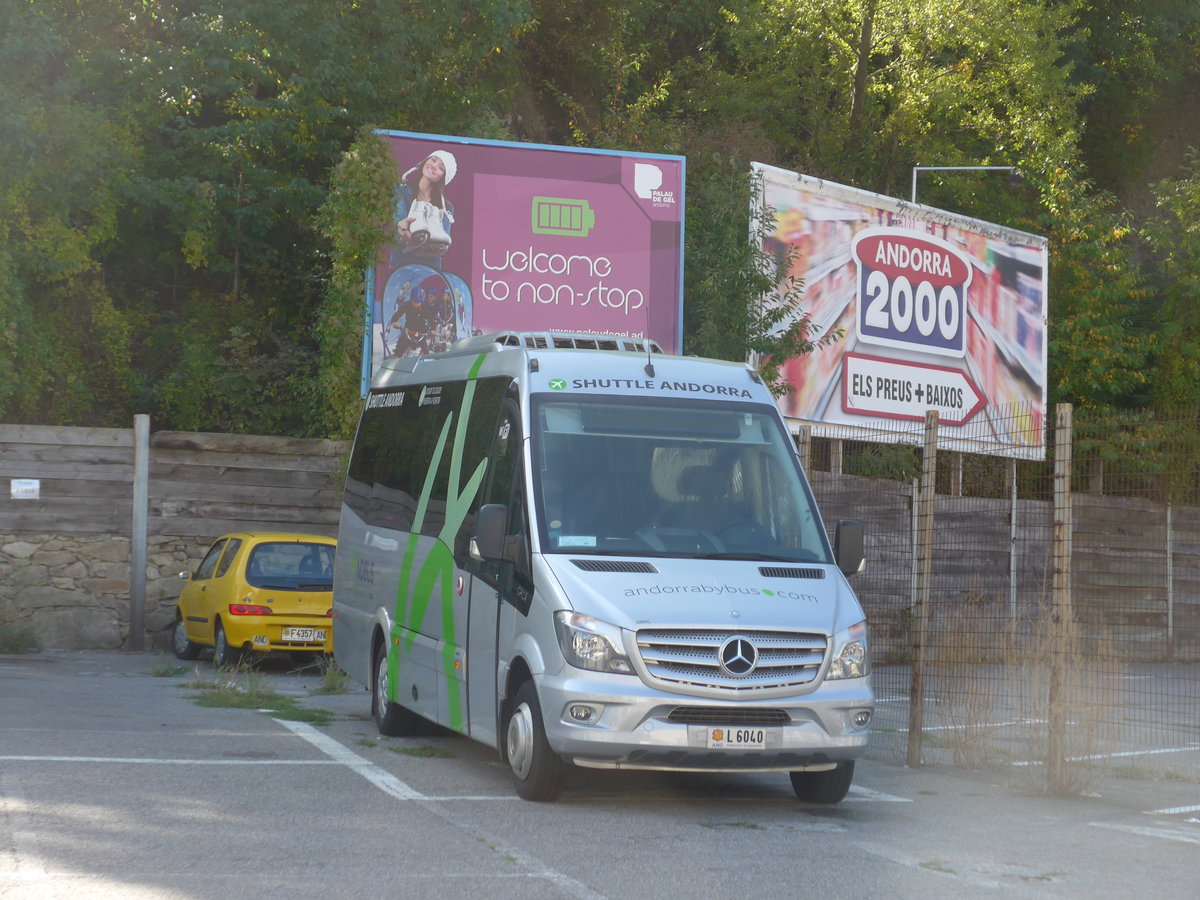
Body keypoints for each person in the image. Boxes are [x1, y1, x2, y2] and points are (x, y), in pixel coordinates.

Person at [393, 150, 457, 262]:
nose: (433, 166)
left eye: (441, 168)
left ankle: (423, 234)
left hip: (430, 269)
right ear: (425, 160)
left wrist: (432, 246)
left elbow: (444, 240)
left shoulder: (447, 208)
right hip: (399, 263)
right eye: (433, 160)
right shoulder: (401, 190)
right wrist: (401, 226)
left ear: (444, 177)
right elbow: (397, 216)